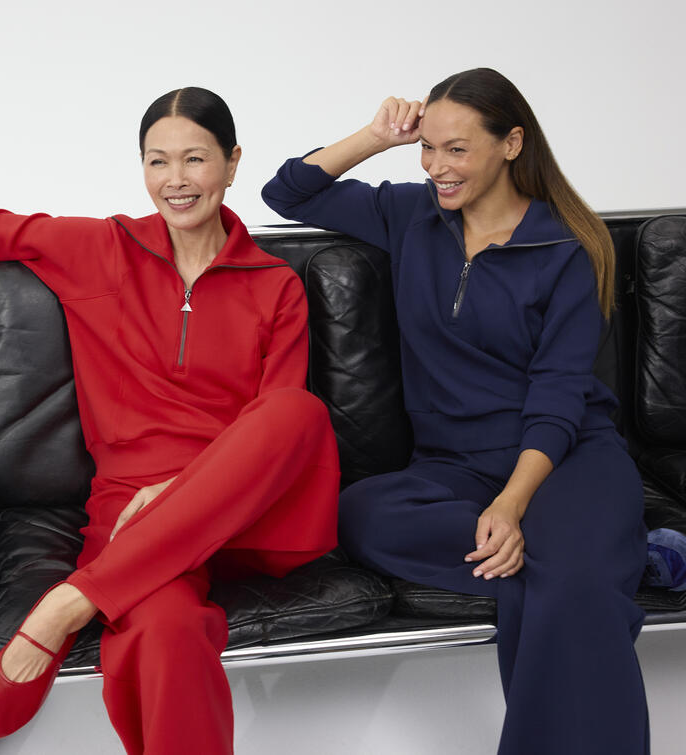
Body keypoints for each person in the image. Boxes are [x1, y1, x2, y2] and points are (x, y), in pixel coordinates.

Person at [0, 87, 340, 754]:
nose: (175, 180)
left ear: (231, 164)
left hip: (244, 516)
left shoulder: (274, 284)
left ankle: (69, 602)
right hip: (130, 517)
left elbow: (273, 438)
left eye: (195, 159)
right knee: (162, 626)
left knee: (297, 410)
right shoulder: (98, 248)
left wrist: (179, 492)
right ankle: (105, 590)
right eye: (157, 161)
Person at [262, 67, 649, 755]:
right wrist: (377, 136)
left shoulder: (567, 248)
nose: (438, 167)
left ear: (511, 143)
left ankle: (585, 552)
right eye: (428, 148)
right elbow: (286, 191)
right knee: (358, 511)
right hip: (455, 468)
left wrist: (511, 505)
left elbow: (559, 399)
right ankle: (611, 552)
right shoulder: (412, 215)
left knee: (568, 593)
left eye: (457, 149)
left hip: (562, 459)